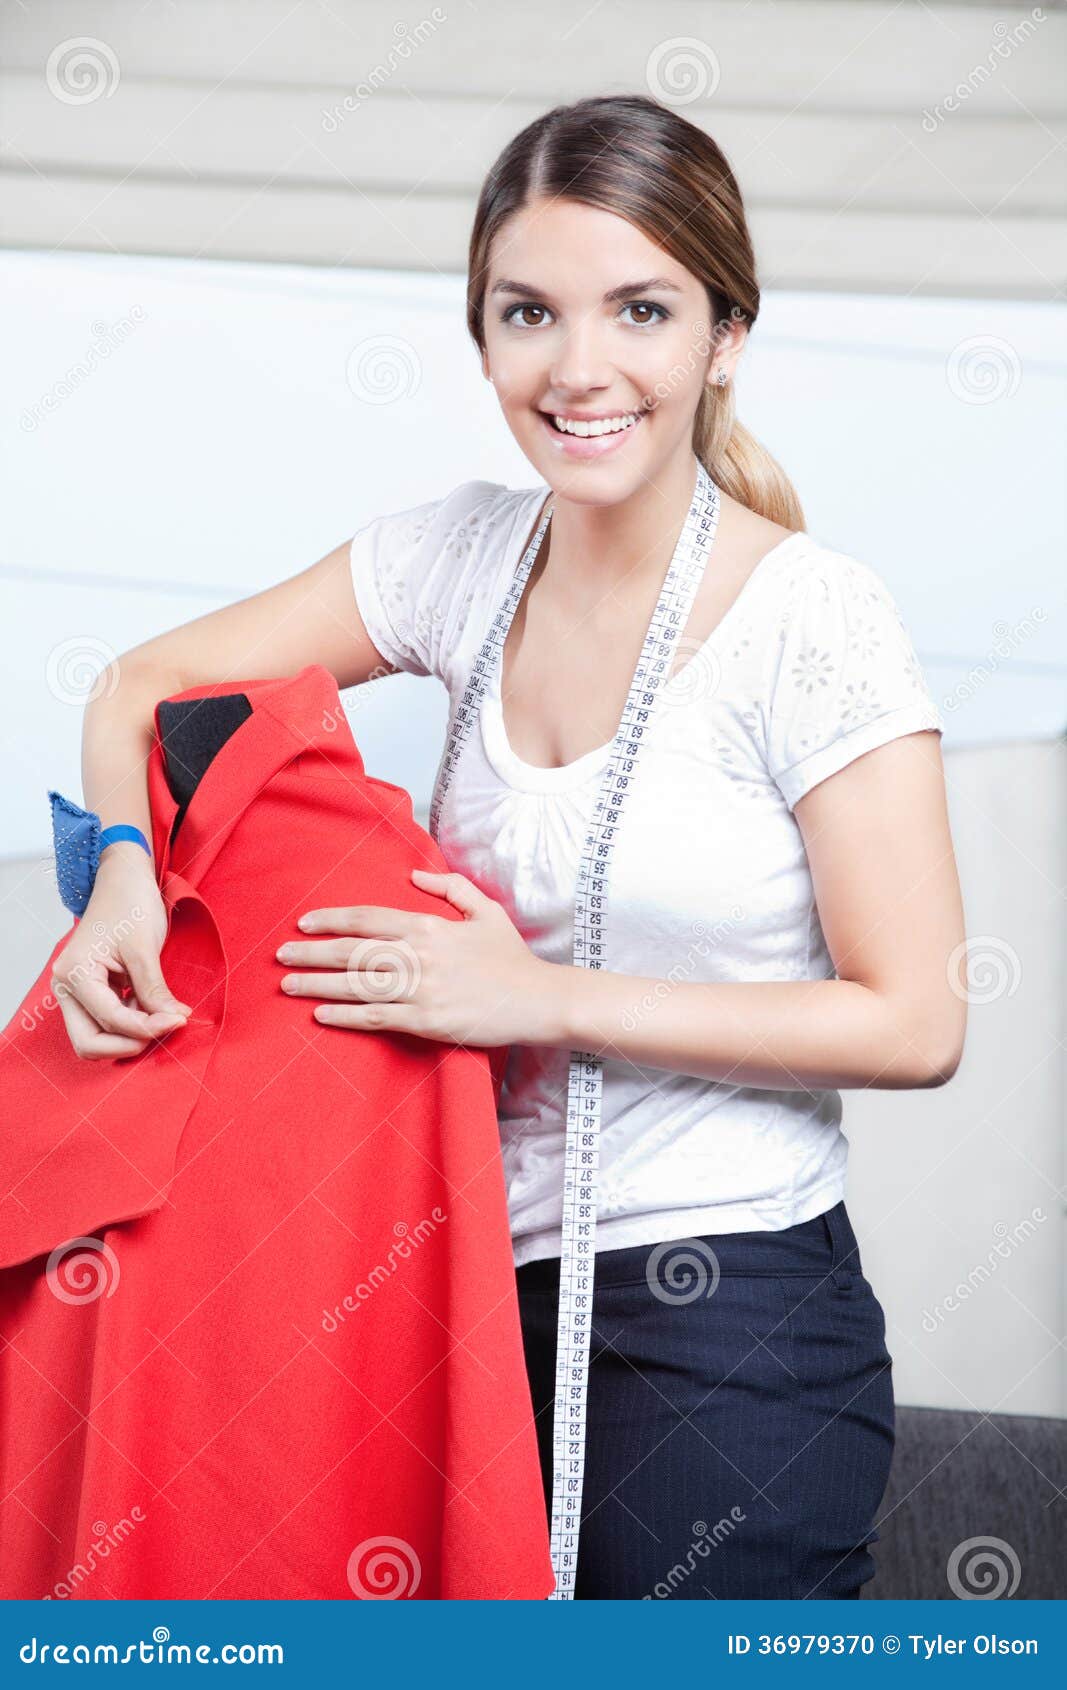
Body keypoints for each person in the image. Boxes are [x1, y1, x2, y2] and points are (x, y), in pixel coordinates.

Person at [51, 93, 967, 1599]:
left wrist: (535, 996)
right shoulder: (459, 557)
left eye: (642, 309)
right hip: (452, 1289)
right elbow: (138, 688)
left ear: (725, 337)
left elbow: (918, 1017)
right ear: (481, 337)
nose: (579, 366)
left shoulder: (817, 619)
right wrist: (119, 879)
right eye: (529, 312)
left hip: (720, 1309)